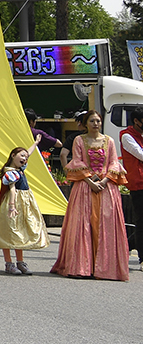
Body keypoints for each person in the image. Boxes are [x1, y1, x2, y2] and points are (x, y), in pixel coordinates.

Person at [51, 111, 129, 281]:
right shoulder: (79, 140)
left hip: (106, 187)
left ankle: (106, 267)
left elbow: (114, 162)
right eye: (92, 121)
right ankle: (83, 266)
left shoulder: (109, 141)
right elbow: (77, 161)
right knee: (84, 224)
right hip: (85, 186)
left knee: (105, 225)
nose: (96, 124)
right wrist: (90, 181)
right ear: (85, 124)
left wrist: (105, 180)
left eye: (98, 121)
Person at [0, 145, 47, 275]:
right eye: (21, 156)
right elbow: (12, 189)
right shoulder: (10, 172)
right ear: (13, 155)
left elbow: (28, 153)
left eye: (26, 157)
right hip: (13, 203)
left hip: (23, 203)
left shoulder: (20, 169)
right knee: (9, 232)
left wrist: (36, 143)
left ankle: (20, 262)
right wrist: (12, 206)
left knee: (20, 231)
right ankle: (9, 263)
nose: (25, 158)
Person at [118, 108, 143, 268]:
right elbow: (140, 154)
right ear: (136, 121)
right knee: (141, 222)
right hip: (139, 185)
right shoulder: (126, 136)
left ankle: (131, 247)